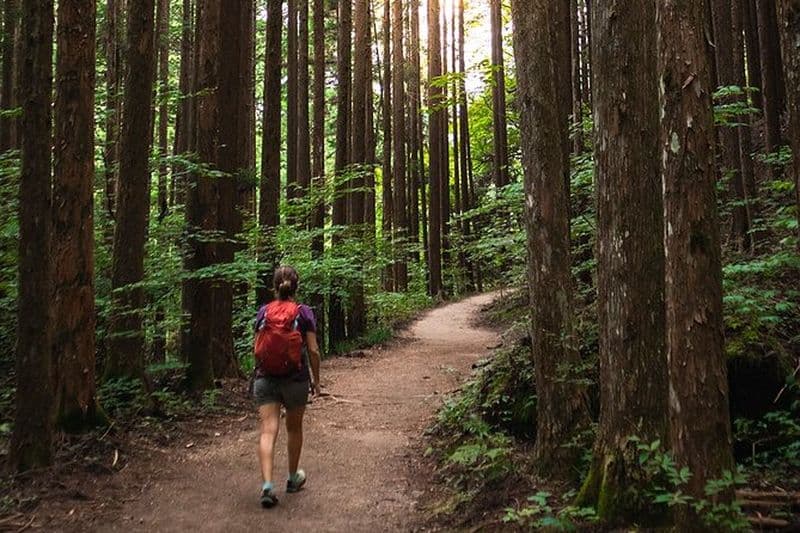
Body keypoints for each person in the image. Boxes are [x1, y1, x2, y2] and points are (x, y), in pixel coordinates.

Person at [253, 266, 321, 508]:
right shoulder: (304, 313)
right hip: (296, 379)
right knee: (294, 429)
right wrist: (316, 381)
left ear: (274, 286)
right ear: (296, 287)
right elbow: (312, 350)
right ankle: (292, 479)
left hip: (265, 378)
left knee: (268, 430)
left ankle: (267, 486)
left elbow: (257, 347)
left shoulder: (263, 312)